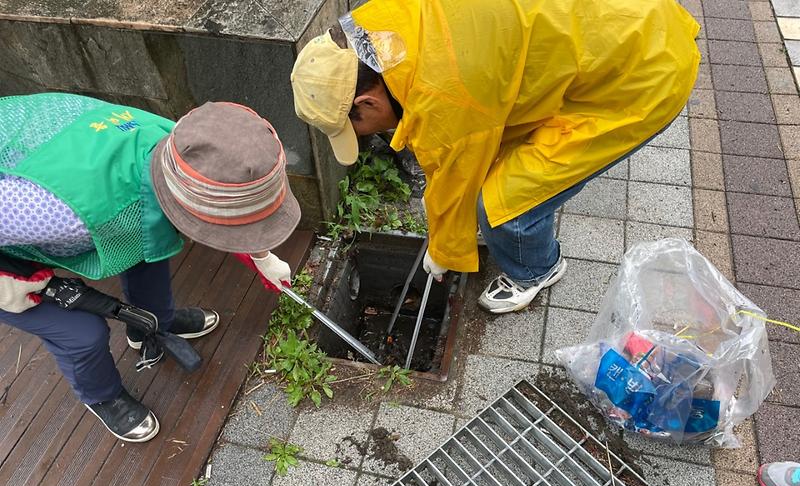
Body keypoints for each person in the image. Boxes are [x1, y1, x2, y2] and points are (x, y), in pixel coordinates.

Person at [290, 0, 700, 313]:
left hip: (638, 79)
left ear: (367, 100)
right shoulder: (388, 21)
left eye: (354, 128)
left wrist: (444, 248)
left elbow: (457, 176)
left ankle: (536, 270)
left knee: (503, 203)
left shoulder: (444, 94)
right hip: (622, 21)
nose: (364, 137)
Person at [0, 94, 300, 442]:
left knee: (149, 244)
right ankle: (102, 395)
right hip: (25, 225)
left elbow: (229, 211)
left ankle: (152, 326)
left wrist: (261, 256)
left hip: (64, 179)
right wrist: (13, 281)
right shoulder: (49, 212)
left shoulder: (185, 147)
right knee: (82, 333)